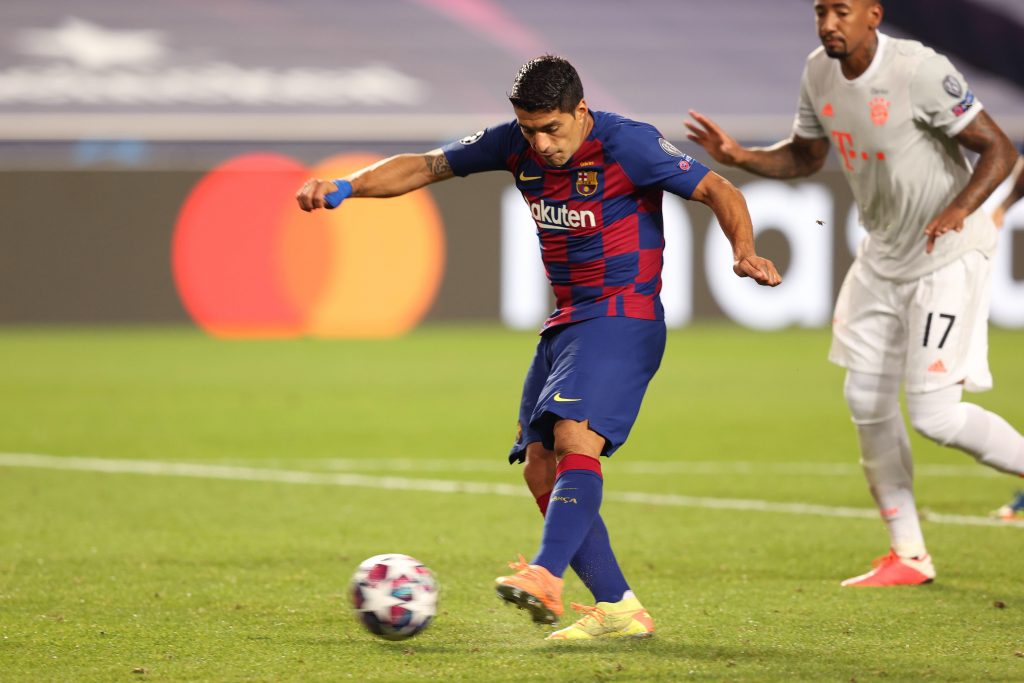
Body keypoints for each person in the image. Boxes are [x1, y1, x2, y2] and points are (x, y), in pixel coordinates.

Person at [297, 55, 781, 636]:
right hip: (567, 322)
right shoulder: (514, 145)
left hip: (622, 315)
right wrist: (347, 186)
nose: (542, 143)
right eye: (530, 130)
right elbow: (425, 167)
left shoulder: (629, 144)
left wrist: (743, 249)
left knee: (576, 438)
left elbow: (717, 188)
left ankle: (546, 574)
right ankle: (618, 608)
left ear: (580, 111)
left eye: (552, 128)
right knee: (538, 466)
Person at [686, 0, 1024, 587]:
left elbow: (1000, 149)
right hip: (881, 257)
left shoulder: (919, 69)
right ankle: (909, 555)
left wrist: (959, 210)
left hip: (945, 256)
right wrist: (741, 156)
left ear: (873, 14)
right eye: (820, 11)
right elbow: (806, 156)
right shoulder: (819, 71)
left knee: (936, 417)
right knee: (865, 402)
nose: (828, 24)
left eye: (840, 11)